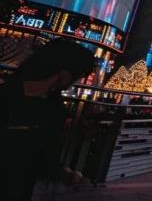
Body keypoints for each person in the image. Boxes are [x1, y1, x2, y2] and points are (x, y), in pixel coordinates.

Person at [0, 39, 94, 200]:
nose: (78, 80)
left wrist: (64, 174)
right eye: (80, 73)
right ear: (64, 74)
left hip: (18, 188)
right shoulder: (52, 109)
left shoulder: (55, 108)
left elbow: (46, 158)